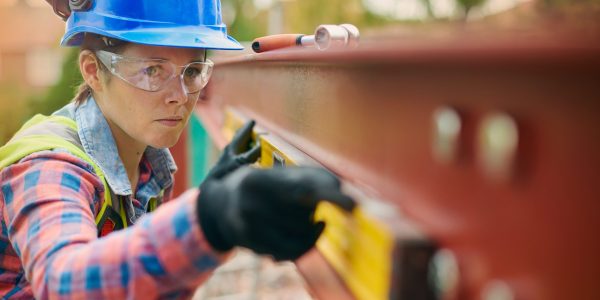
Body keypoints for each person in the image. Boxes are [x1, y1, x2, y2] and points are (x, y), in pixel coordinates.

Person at [0, 0, 354, 298]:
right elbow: (64, 283)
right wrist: (208, 219)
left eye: (192, 71)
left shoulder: (148, 165)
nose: (180, 96)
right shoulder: (48, 165)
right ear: (93, 71)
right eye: (153, 71)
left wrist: (211, 215)